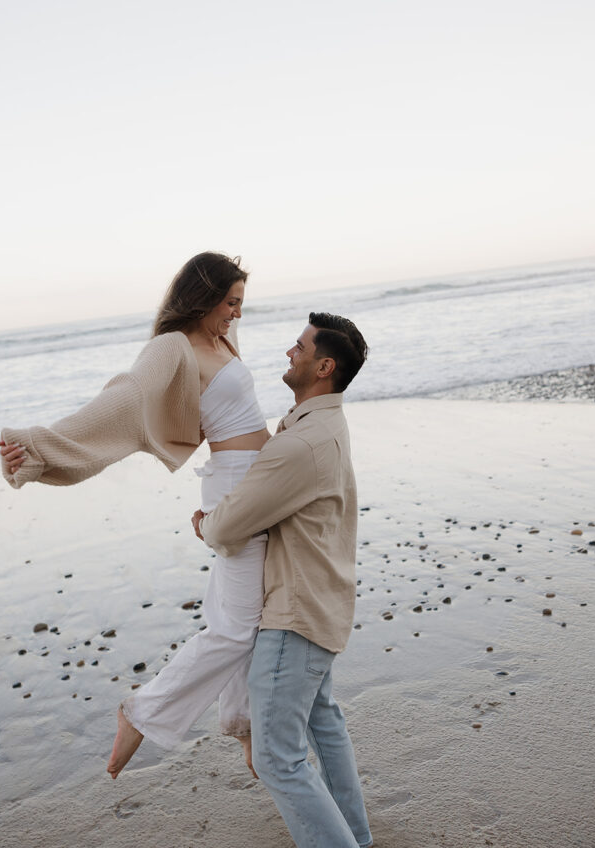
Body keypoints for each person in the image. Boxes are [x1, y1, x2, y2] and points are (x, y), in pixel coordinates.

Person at [0, 251, 270, 778]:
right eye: (231, 302)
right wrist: (34, 448)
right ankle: (141, 711)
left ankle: (244, 723)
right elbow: (122, 403)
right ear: (204, 295)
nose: (237, 313)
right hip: (238, 490)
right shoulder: (172, 347)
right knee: (239, 628)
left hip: (261, 485)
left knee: (244, 616)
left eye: (240, 304)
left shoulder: (221, 341)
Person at [195, 312, 373, 848]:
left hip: (293, 616)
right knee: (324, 724)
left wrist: (205, 524)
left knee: (277, 757)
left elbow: (228, 526)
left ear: (324, 366)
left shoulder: (300, 444)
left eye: (298, 347)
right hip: (323, 605)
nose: (288, 353)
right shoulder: (320, 426)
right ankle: (357, 837)